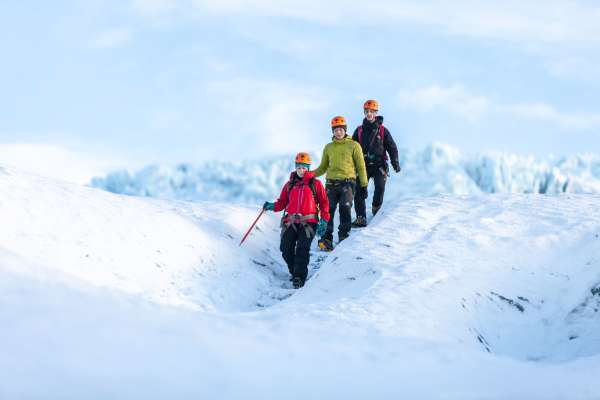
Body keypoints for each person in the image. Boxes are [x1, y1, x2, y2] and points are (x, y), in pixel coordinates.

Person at [263, 152, 330, 289]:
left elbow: (324, 203)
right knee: (285, 248)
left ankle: (299, 277)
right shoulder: (289, 185)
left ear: (308, 168)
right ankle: (295, 271)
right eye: (299, 167)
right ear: (295, 167)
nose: (301, 170)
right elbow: (282, 203)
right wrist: (271, 206)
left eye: (304, 167)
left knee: (302, 249)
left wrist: (324, 219)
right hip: (291, 222)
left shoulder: (315, 184)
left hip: (309, 223)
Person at [312, 116, 368, 251]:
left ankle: (344, 236)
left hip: (348, 183)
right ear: (333, 131)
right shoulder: (328, 147)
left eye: (341, 129)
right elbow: (323, 167)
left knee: (345, 208)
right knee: (328, 210)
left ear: (345, 130)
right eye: (336, 130)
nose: (338, 132)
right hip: (331, 183)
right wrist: (309, 175)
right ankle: (326, 239)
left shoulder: (354, 145)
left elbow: (361, 166)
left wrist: (364, 184)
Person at [351, 99, 400, 227]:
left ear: (376, 112)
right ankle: (361, 217)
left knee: (380, 187)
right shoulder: (359, 131)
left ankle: (376, 207)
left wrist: (395, 162)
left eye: (371, 111)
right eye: (367, 111)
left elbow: (392, 147)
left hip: (380, 165)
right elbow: (351, 149)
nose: (369, 114)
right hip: (363, 165)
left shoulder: (383, 131)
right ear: (364, 113)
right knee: (359, 190)